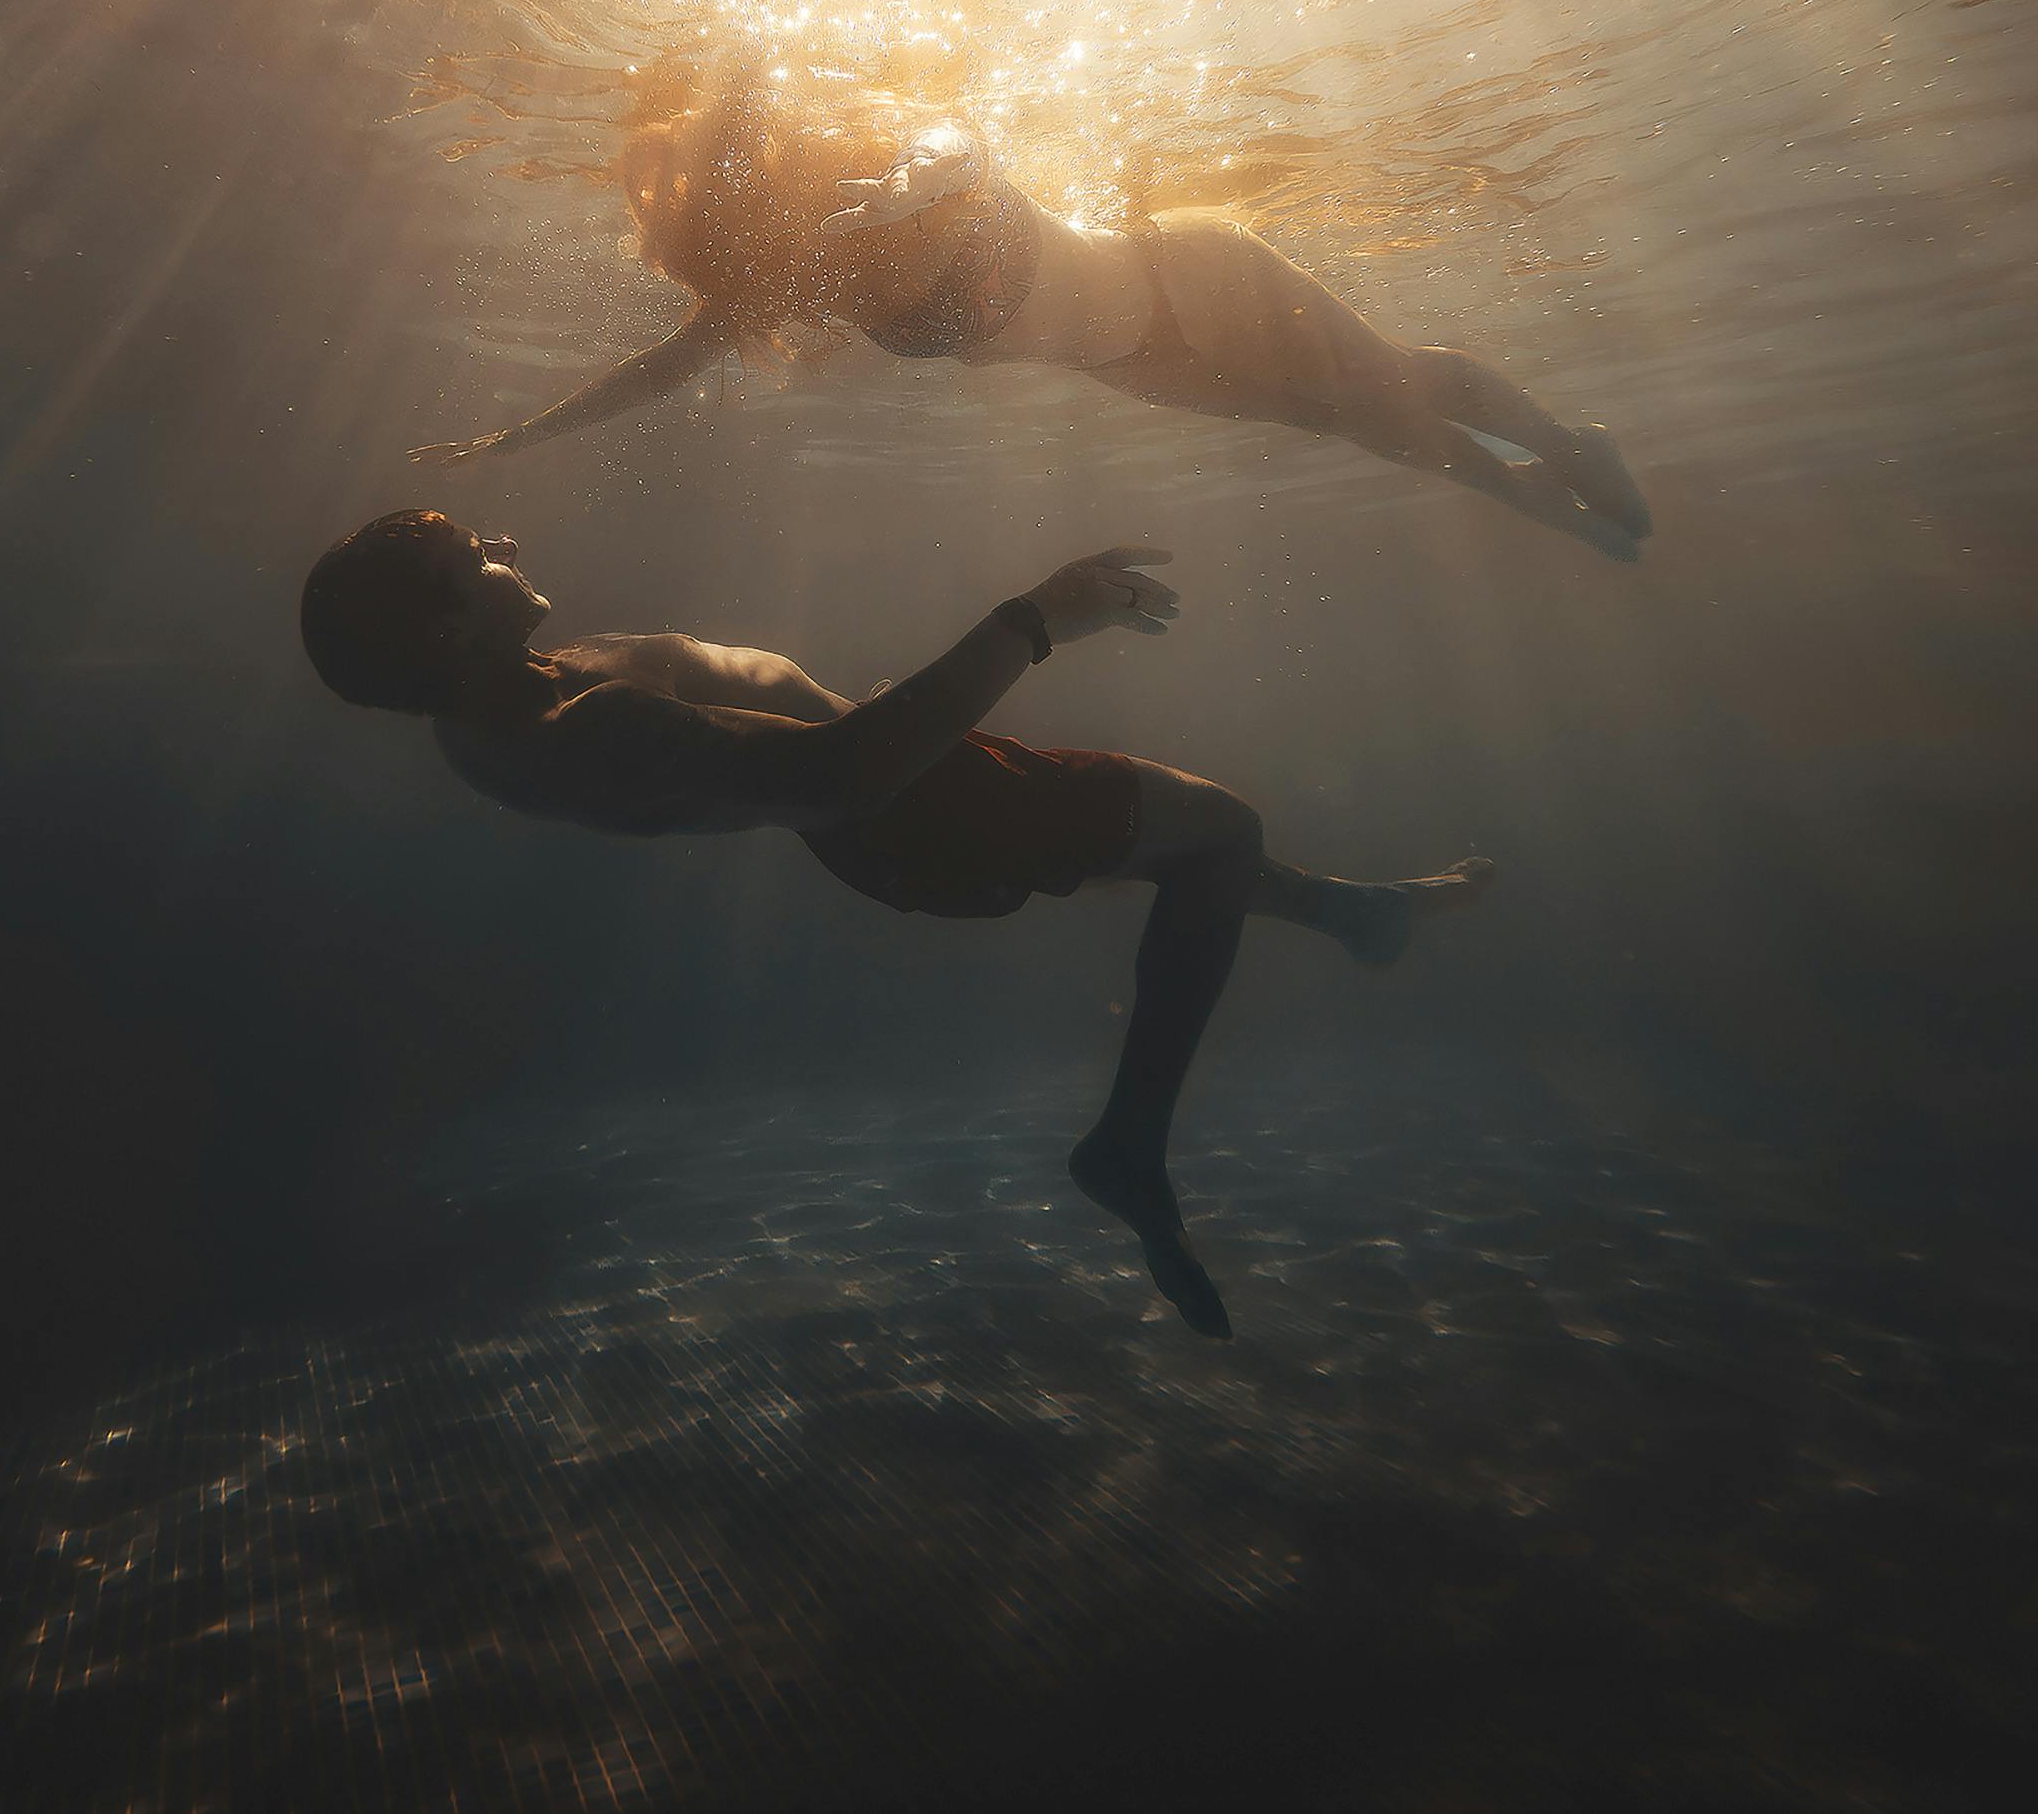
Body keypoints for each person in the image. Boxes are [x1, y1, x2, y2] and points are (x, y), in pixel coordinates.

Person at [300, 509, 1495, 1340]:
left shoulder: (501, 697)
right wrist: (1036, 618)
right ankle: (1130, 1144)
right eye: (475, 556)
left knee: (1176, 849)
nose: (501, 543)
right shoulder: (577, 731)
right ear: (449, 630)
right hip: (919, 813)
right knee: (1222, 833)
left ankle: (1353, 914)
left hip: (905, 807)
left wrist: (834, 722)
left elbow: (772, 753)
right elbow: (833, 782)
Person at [411, 78, 1652, 558]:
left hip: (1188, 278)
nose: (765, 214)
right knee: (1366, 427)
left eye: (755, 181)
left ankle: (1559, 467)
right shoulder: (798, 279)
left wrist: (915, 178)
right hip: (1132, 361)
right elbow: (660, 371)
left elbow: (960, 136)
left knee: (1391, 387)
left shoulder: (880, 172)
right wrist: (515, 442)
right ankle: (1553, 474)